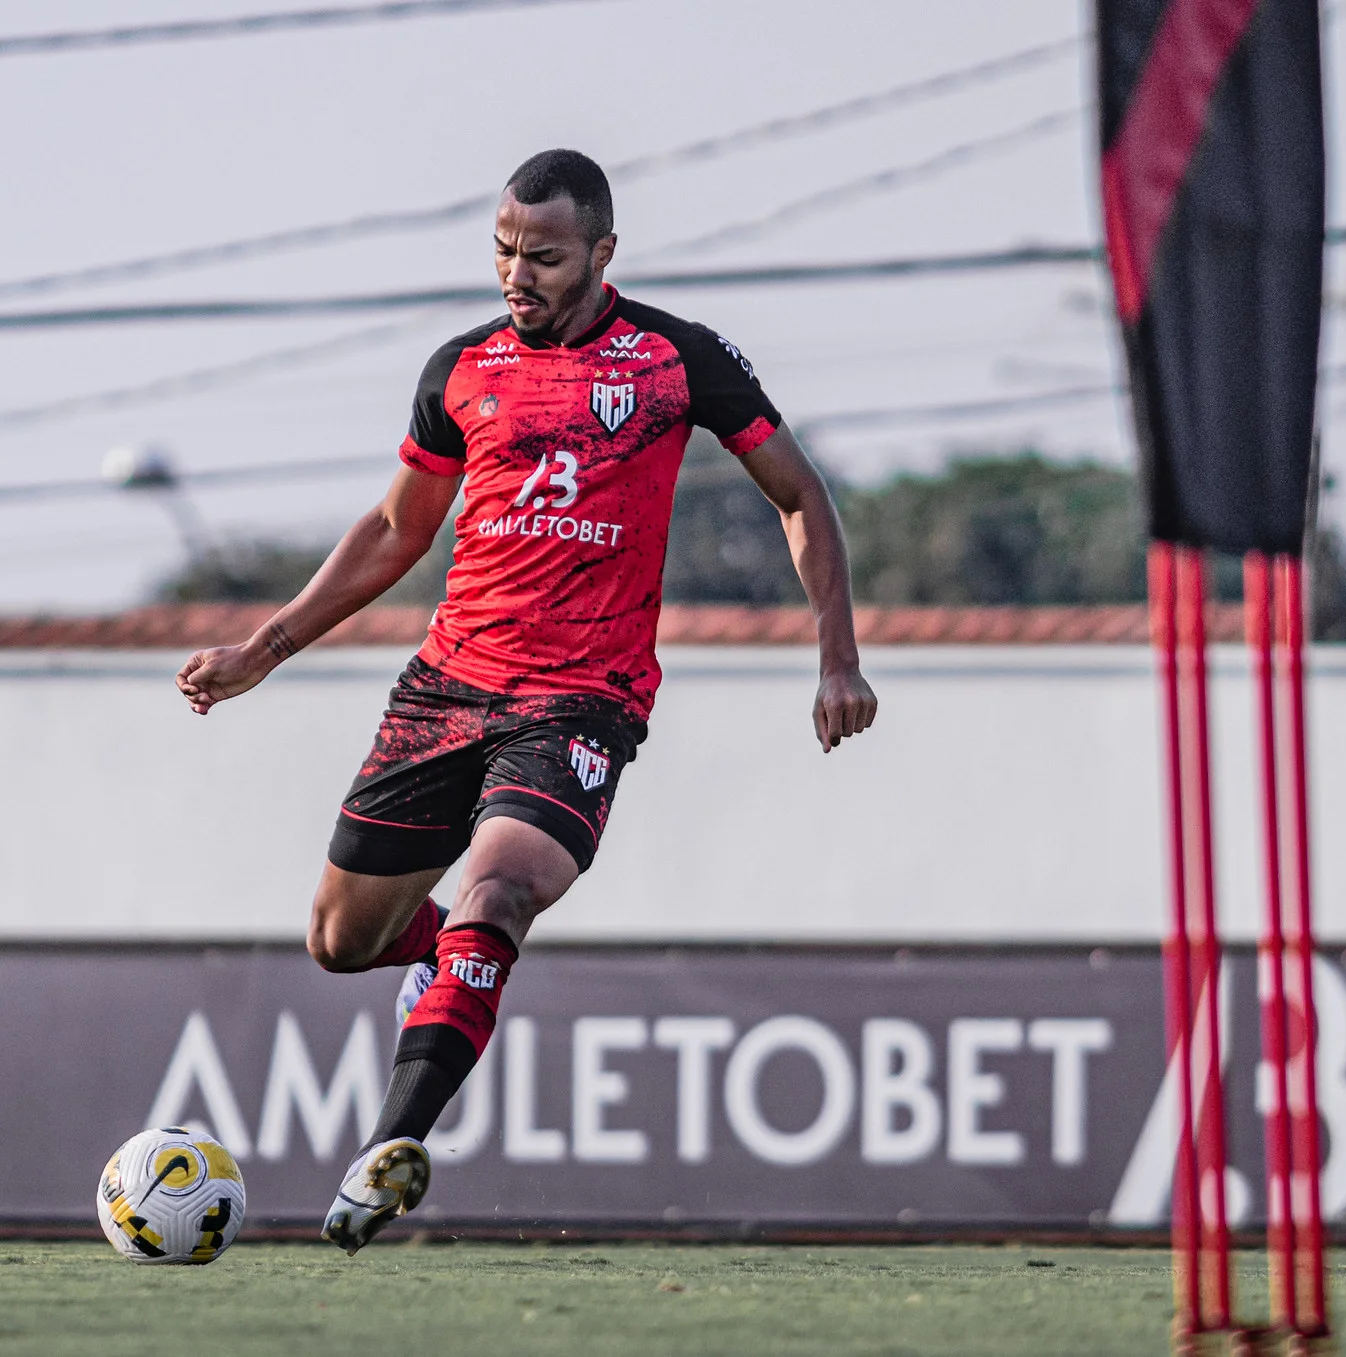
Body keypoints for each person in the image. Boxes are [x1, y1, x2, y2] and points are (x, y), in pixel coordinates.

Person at [175, 148, 877, 1253]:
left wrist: (835, 657)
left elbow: (799, 494)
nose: (517, 274)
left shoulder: (676, 361)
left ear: (601, 254)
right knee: (337, 940)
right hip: (444, 686)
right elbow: (396, 531)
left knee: (497, 893)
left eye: (542, 256)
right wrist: (265, 649)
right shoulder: (460, 368)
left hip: (579, 703)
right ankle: (450, 965)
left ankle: (385, 1150)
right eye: (502, 251)